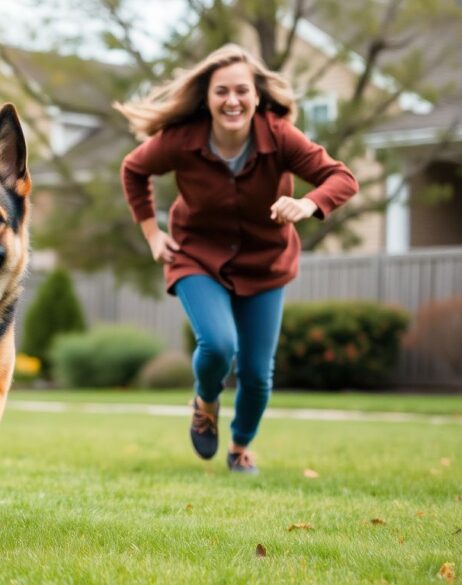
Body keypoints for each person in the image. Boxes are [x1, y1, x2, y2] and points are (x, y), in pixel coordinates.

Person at [115, 44, 358, 473]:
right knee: (219, 344)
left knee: (257, 372)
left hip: (266, 264)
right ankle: (205, 401)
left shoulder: (279, 135)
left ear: (257, 96)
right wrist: (152, 233)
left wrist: (308, 205)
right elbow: (134, 170)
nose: (232, 100)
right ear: (206, 99)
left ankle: (240, 446)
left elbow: (342, 177)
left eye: (242, 91)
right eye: (221, 91)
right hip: (196, 257)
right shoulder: (182, 140)